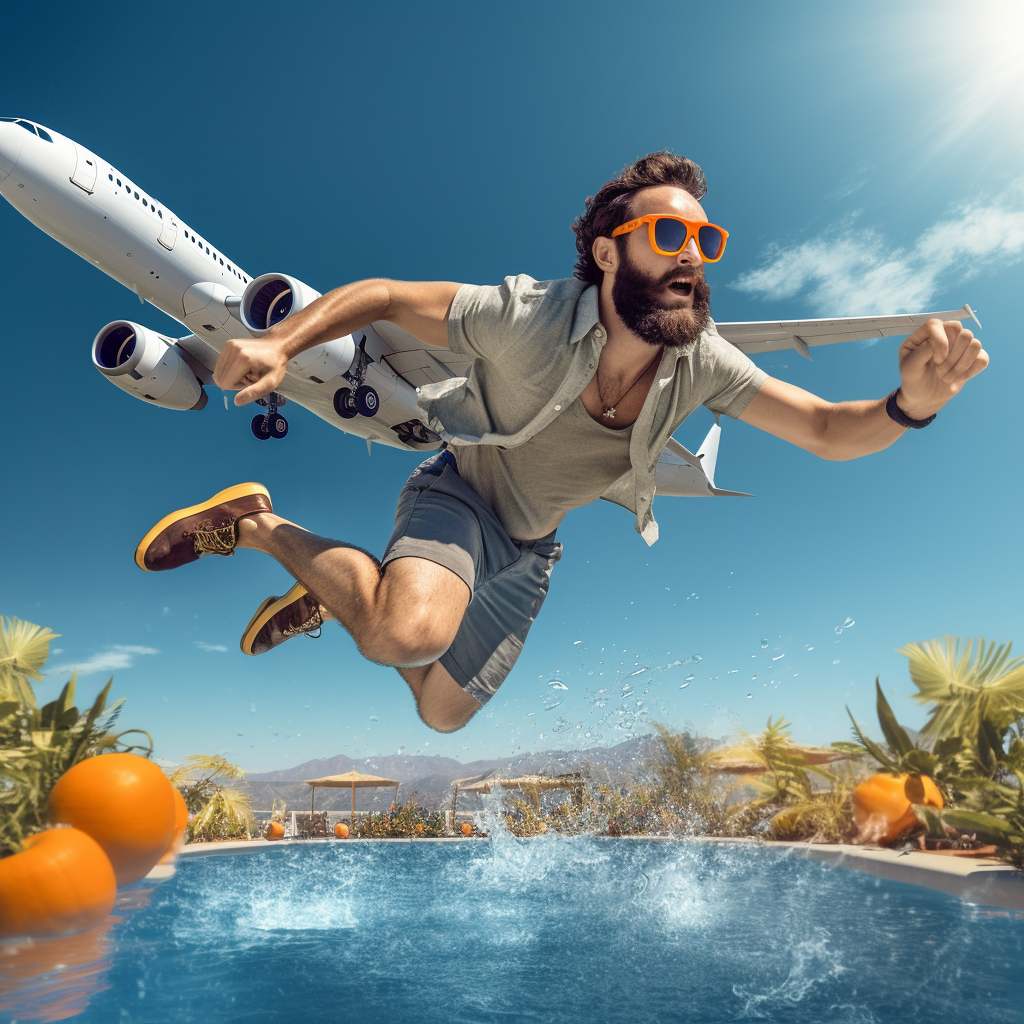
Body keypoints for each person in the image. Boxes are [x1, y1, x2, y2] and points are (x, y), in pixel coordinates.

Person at [134, 153, 988, 734]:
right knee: (404, 635)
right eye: (668, 235)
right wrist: (281, 345)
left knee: (440, 714)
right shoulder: (525, 315)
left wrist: (910, 404)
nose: (694, 254)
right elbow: (387, 293)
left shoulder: (704, 362)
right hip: (461, 497)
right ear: (609, 253)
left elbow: (828, 430)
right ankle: (255, 525)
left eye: (706, 241)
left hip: (533, 551)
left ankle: (335, 592)